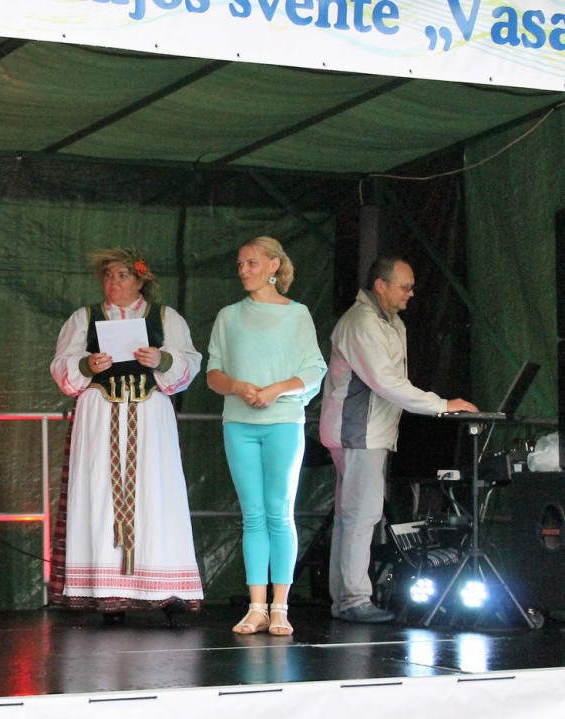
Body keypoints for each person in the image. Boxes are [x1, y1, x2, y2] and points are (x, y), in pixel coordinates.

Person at [48, 248, 204, 620]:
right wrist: (87, 365)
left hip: (149, 417)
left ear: (140, 280)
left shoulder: (165, 318)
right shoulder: (84, 318)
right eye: (108, 275)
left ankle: (164, 590)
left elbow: (189, 363)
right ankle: (108, 592)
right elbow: (62, 368)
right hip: (100, 414)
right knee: (100, 492)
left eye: (121, 275)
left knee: (155, 493)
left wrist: (162, 360)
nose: (113, 283)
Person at [320, 256, 476, 623]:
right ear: (380, 286)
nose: (411, 293)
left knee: (351, 516)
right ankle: (352, 599)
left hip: (365, 432)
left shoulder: (390, 323)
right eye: (404, 286)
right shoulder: (362, 321)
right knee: (361, 514)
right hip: (357, 432)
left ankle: (345, 597)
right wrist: (442, 405)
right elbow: (385, 382)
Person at [207, 236, 327, 636]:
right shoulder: (228, 316)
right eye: (240, 264)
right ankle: (256, 607)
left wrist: (276, 389)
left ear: (275, 265)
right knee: (253, 516)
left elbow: (314, 369)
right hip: (238, 424)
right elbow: (213, 374)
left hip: (284, 423)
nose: (244, 270)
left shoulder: (298, 315)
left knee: (279, 513)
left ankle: (280, 607)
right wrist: (238, 387)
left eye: (252, 263)